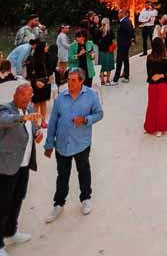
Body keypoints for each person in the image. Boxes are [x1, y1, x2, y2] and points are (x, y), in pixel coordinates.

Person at [44, 67, 103, 223]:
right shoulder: (60, 99)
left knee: (83, 171)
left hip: (81, 143)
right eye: (68, 80)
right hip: (62, 145)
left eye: (73, 80)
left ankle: (86, 198)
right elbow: (52, 123)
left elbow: (99, 114)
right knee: (62, 175)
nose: (69, 83)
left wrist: (85, 120)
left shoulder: (91, 96)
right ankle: (58, 204)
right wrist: (49, 144)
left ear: (81, 81)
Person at [0, 83, 42, 254]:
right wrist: (24, 118)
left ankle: (11, 231)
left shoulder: (29, 108)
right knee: (3, 205)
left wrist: (37, 132)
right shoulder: (5, 109)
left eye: (29, 96)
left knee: (18, 199)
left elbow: (33, 127)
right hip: (7, 168)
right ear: (15, 95)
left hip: (24, 165)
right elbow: (4, 121)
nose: (27, 99)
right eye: (23, 95)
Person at [144, 38, 167, 136]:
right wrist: (162, 75)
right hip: (163, 85)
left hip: (152, 84)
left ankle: (150, 126)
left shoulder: (149, 57)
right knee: (162, 106)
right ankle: (161, 128)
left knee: (152, 106)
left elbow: (148, 71)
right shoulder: (166, 57)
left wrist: (153, 76)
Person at [25, 41, 52, 127]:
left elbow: (50, 69)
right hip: (36, 83)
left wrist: (50, 77)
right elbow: (29, 73)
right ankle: (35, 123)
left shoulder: (47, 56)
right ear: (41, 48)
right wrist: (35, 82)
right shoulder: (32, 58)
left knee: (43, 103)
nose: (47, 48)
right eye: (45, 46)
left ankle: (43, 121)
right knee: (36, 103)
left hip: (46, 82)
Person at [112, 9, 134, 85]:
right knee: (125, 60)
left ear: (123, 14)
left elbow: (128, 32)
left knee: (119, 61)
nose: (118, 14)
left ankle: (115, 80)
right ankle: (126, 76)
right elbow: (131, 31)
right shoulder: (128, 20)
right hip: (125, 44)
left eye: (119, 13)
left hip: (123, 45)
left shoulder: (124, 22)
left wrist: (125, 41)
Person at [95, 17, 115, 86]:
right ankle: (108, 80)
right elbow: (113, 40)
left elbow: (96, 40)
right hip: (109, 51)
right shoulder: (110, 30)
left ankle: (102, 80)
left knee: (102, 66)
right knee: (108, 66)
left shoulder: (98, 30)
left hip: (101, 51)